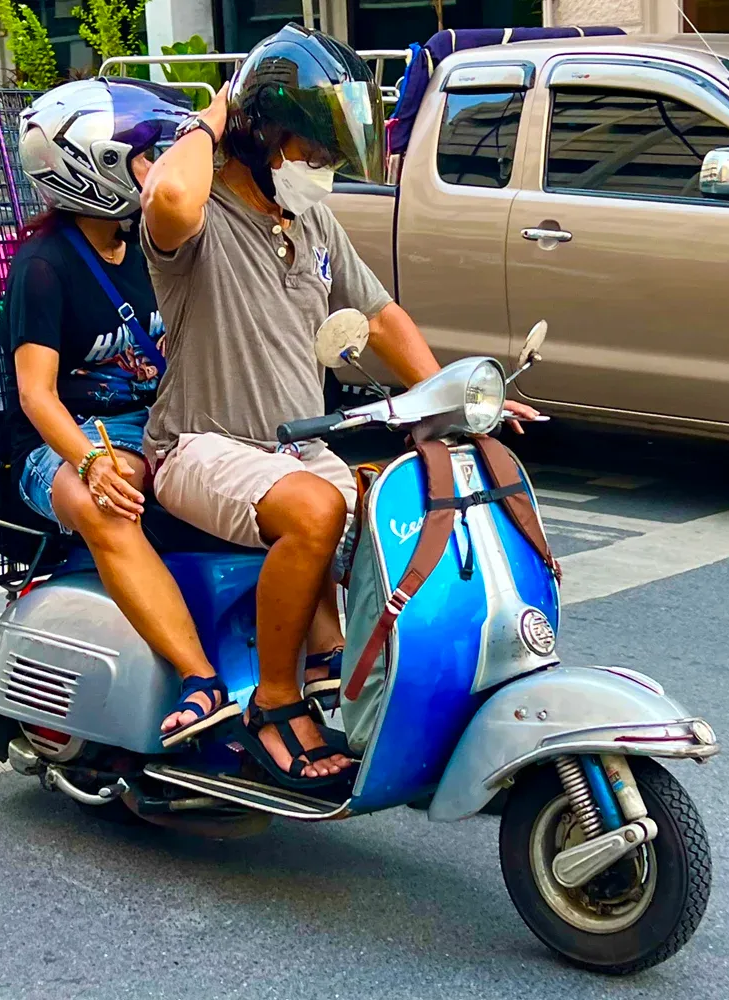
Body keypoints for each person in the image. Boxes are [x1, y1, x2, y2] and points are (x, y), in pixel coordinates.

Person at [140, 24, 538, 786]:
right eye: (310, 149)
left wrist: (450, 399)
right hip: (199, 445)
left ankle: (344, 664)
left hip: (293, 446)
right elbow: (169, 195)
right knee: (317, 511)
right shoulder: (196, 220)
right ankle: (273, 703)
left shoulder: (309, 219)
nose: (319, 167)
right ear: (261, 135)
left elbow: (380, 317)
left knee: (398, 508)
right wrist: (210, 116)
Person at [3, 78, 242, 745]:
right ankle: (199, 679)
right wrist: (89, 461)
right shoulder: (43, 267)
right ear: (93, 168)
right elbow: (36, 395)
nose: (154, 169)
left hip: (157, 421)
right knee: (108, 501)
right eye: (142, 158)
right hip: (61, 440)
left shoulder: (147, 245)